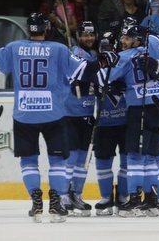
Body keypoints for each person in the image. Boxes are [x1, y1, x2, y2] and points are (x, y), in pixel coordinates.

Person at [0, 12, 119, 223]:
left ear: (29, 29)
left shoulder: (15, 47)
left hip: (24, 115)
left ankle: (36, 203)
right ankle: (56, 204)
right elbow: (86, 70)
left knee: (29, 161)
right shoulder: (58, 49)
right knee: (58, 161)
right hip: (53, 114)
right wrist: (105, 58)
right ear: (46, 28)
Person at [95, 25, 159, 217]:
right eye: (123, 37)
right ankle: (152, 200)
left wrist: (107, 64)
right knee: (152, 156)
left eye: (127, 38)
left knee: (134, 157)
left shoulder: (124, 57)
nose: (123, 41)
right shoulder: (154, 49)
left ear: (138, 40)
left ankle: (133, 199)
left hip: (139, 109)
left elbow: (101, 79)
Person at [62, 21, 98, 217]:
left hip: (87, 114)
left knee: (83, 159)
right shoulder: (71, 54)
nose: (89, 39)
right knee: (71, 157)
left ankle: (77, 194)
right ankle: (64, 195)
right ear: (78, 36)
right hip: (70, 114)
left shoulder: (92, 56)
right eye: (85, 35)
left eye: (91, 35)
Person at [93, 31, 128, 216]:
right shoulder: (95, 67)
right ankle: (106, 198)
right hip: (104, 123)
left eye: (109, 47)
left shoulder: (125, 64)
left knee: (127, 161)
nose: (106, 50)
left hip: (125, 122)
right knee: (103, 161)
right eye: (103, 47)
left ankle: (123, 197)